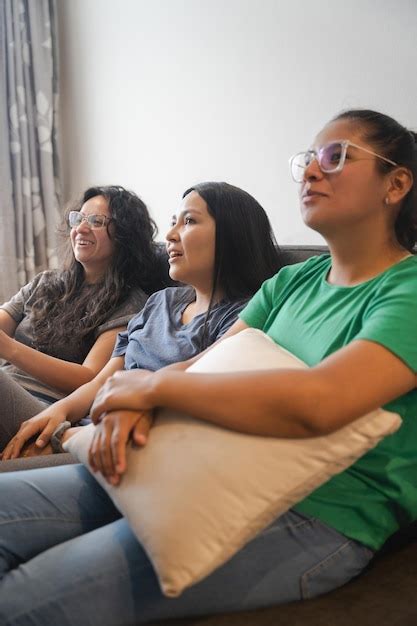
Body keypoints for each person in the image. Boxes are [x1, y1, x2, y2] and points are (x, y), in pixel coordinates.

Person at [1, 110, 416, 625]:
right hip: (201, 459)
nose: (311, 172)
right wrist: (134, 400)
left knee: (25, 599)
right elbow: (203, 366)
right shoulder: (293, 282)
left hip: (320, 513)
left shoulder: (407, 291)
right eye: (308, 160)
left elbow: (321, 402)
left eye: (336, 157)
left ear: (396, 183)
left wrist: (149, 394)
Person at [0, 181, 281, 466]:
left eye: (189, 221)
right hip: (81, 425)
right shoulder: (161, 302)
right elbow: (102, 381)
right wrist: (58, 414)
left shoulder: (240, 321)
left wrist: (63, 435)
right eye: (173, 222)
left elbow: (186, 408)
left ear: (231, 236)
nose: (170, 236)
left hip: (113, 444)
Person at [0, 185, 165, 453]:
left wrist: (11, 349)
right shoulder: (46, 282)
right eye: (79, 218)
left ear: (124, 235)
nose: (82, 228)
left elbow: (89, 378)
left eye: (96, 221)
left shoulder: (131, 304)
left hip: (43, 408)